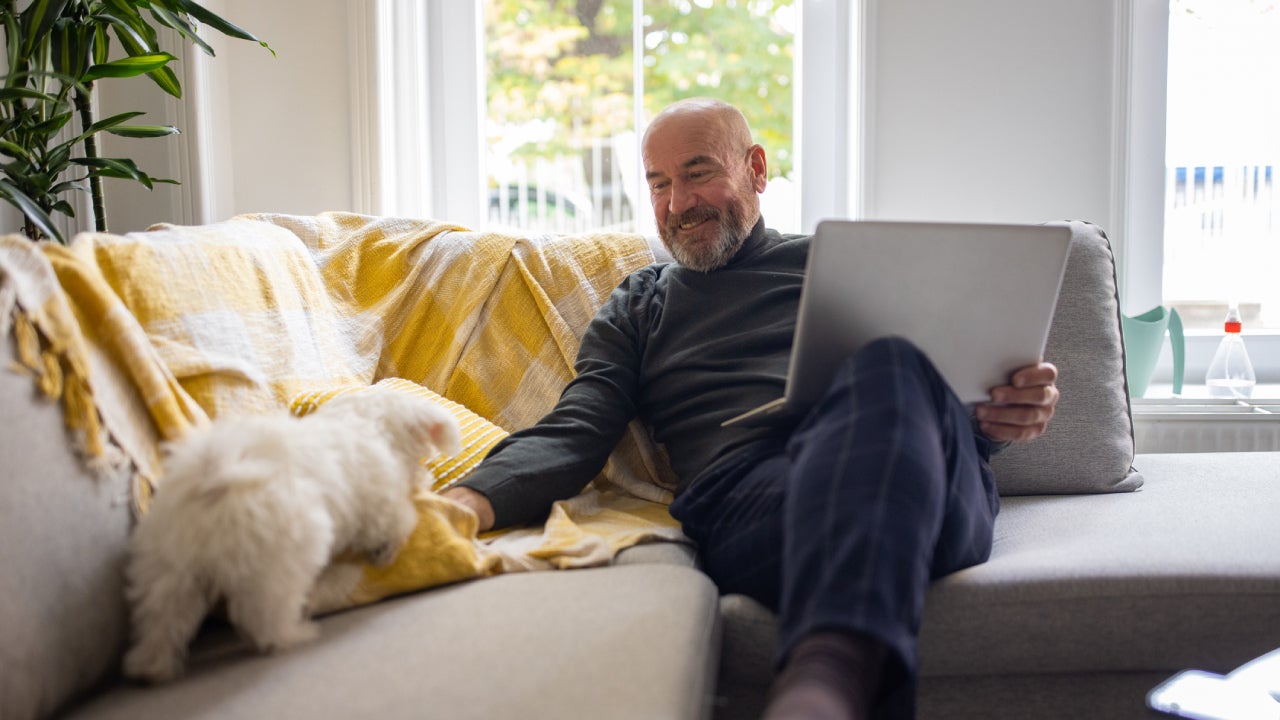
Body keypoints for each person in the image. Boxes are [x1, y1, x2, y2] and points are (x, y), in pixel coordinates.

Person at [442, 97, 1059, 720]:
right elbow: (579, 427)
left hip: (921, 482)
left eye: (699, 172)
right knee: (885, 385)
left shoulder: (847, 263)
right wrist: (470, 498)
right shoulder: (641, 303)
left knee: (892, 363)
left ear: (756, 169)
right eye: (660, 184)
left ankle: (821, 687)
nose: (679, 204)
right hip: (757, 500)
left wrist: (1002, 414)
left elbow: (938, 409)